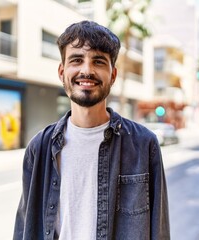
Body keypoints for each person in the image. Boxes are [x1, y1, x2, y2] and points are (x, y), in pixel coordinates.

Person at [13, 20, 170, 239]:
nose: (87, 70)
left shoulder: (145, 145)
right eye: (77, 60)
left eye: (98, 61)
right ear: (62, 72)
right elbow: (24, 227)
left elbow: (159, 231)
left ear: (113, 75)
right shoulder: (39, 148)